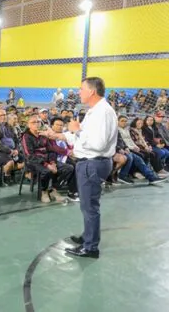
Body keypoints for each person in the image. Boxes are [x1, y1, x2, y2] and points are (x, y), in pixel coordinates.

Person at [46, 77, 117, 258]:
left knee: (89, 207)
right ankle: (88, 236)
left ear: (92, 91)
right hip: (91, 163)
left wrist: (77, 130)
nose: (79, 92)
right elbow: (79, 137)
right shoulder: (95, 111)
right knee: (88, 205)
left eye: (81, 89)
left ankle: (91, 247)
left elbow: (98, 144)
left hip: (93, 163)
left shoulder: (103, 113)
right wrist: (58, 135)